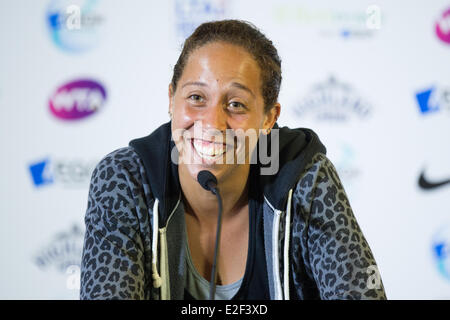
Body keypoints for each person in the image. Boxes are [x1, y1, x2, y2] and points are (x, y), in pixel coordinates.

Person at [80, 19, 387, 300]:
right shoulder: (126, 178)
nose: (213, 123)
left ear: (269, 119)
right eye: (196, 98)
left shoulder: (302, 177)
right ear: (172, 99)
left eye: (236, 104)